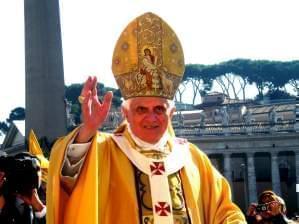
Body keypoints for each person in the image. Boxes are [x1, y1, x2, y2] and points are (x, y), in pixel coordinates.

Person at [47, 12, 245, 224]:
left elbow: (224, 210)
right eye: (141, 109)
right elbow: (65, 181)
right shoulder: (105, 152)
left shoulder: (193, 158)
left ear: (171, 113)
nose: (151, 117)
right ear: (125, 113)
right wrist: (87, 130)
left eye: (159, 109)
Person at [0, 152, 46, 224]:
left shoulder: (50, 196)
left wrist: (40, 209)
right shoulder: (6, 199)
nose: (25, 177)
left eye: (36, 169)